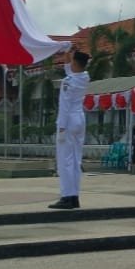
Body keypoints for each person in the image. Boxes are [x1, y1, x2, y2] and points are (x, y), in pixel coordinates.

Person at [49, 48, 87, 210]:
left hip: (68, 120)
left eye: (71, 61)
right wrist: (67, 57)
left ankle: (66, 197)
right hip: (80, 119)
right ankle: (74, 196)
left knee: (65, 160)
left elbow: (64, 107)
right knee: (76, 160)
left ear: (75, 63)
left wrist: (61, 128)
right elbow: (70, 71)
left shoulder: (67, 82)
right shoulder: (84, 77)